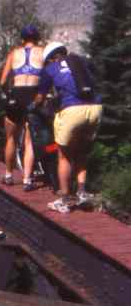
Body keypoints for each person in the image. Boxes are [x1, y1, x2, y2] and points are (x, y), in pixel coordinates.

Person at [34, 41, 102, 214]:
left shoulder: (50, 69)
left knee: (63, 156)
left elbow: (40, 98)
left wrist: (33, 107)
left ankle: (64, 200)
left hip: (72, 111)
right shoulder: (81, 61)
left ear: (50, 59)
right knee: (82, 152)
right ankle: (81, 192)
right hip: (95, 109)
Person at [0, 24, 44, 190]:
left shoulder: (14, 53)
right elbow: (47, 79)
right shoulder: (42, 52)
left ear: (22, 39)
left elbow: (3, 81)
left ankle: (9, 175)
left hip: (16, 96)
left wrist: (10, 95)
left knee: (10, 138)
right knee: (29, 141)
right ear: (37, 38)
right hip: (33, 96)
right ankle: (26, 180)